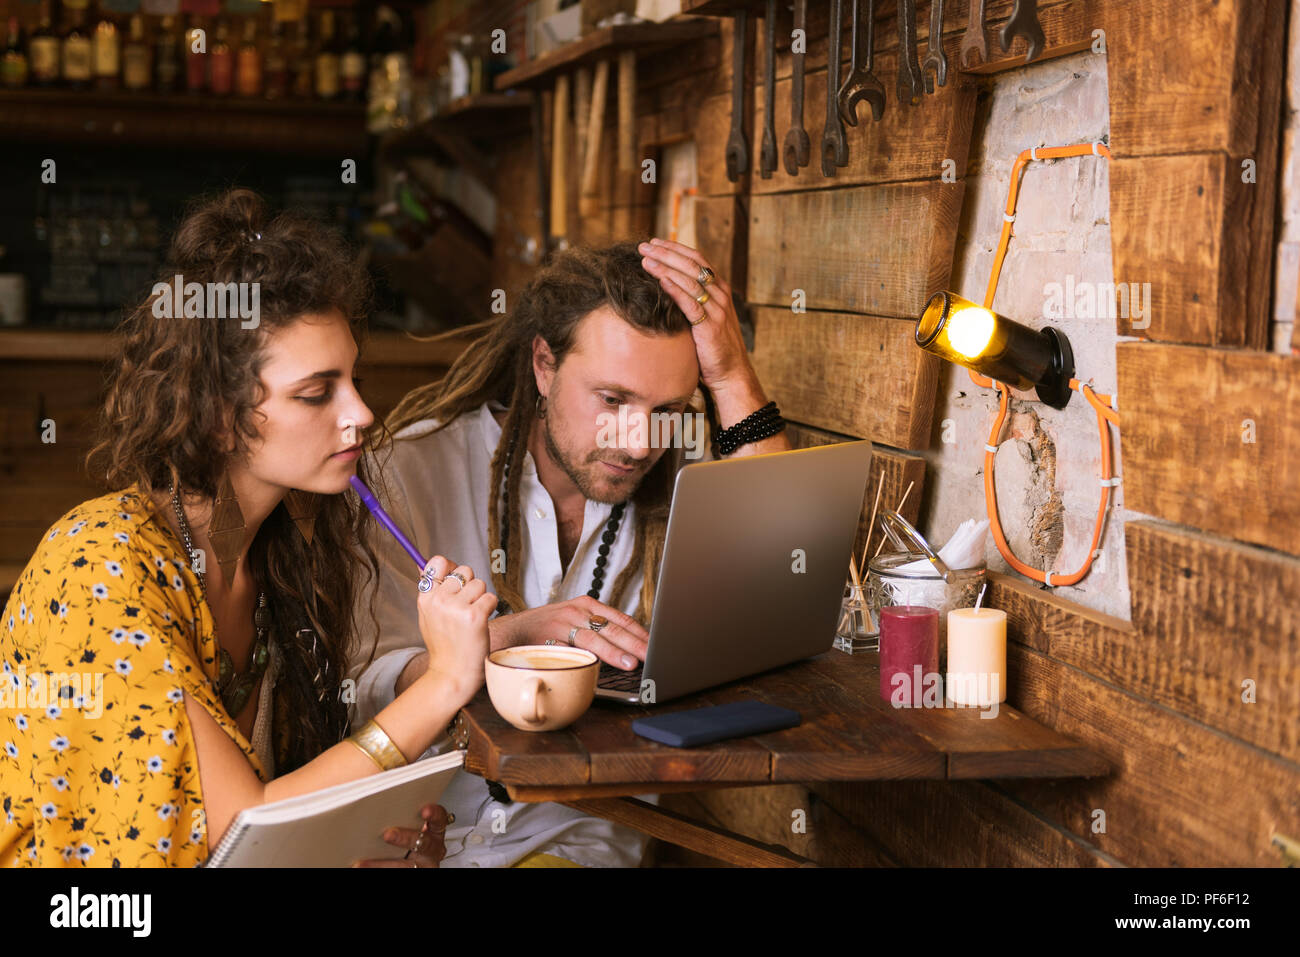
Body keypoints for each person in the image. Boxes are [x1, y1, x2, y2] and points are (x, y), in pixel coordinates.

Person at [0, 188, 486, 867]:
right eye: (317, 392)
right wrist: (443, 683)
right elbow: (241, 825)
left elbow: (279, 823)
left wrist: (370, 844)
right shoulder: (96, 570)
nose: (362, 412)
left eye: (353, 377)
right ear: (218, 416)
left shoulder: (284, 554)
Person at [348, 238, 791, 867]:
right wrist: (509, 638)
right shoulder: (410, 472)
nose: (637, 444)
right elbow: (360, 691)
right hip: (410, 839)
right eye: (612, 400)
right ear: (544, 366)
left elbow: (780, 587)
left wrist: (730, 376)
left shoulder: (692, 482)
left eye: (666, 410)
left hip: (576, 838)